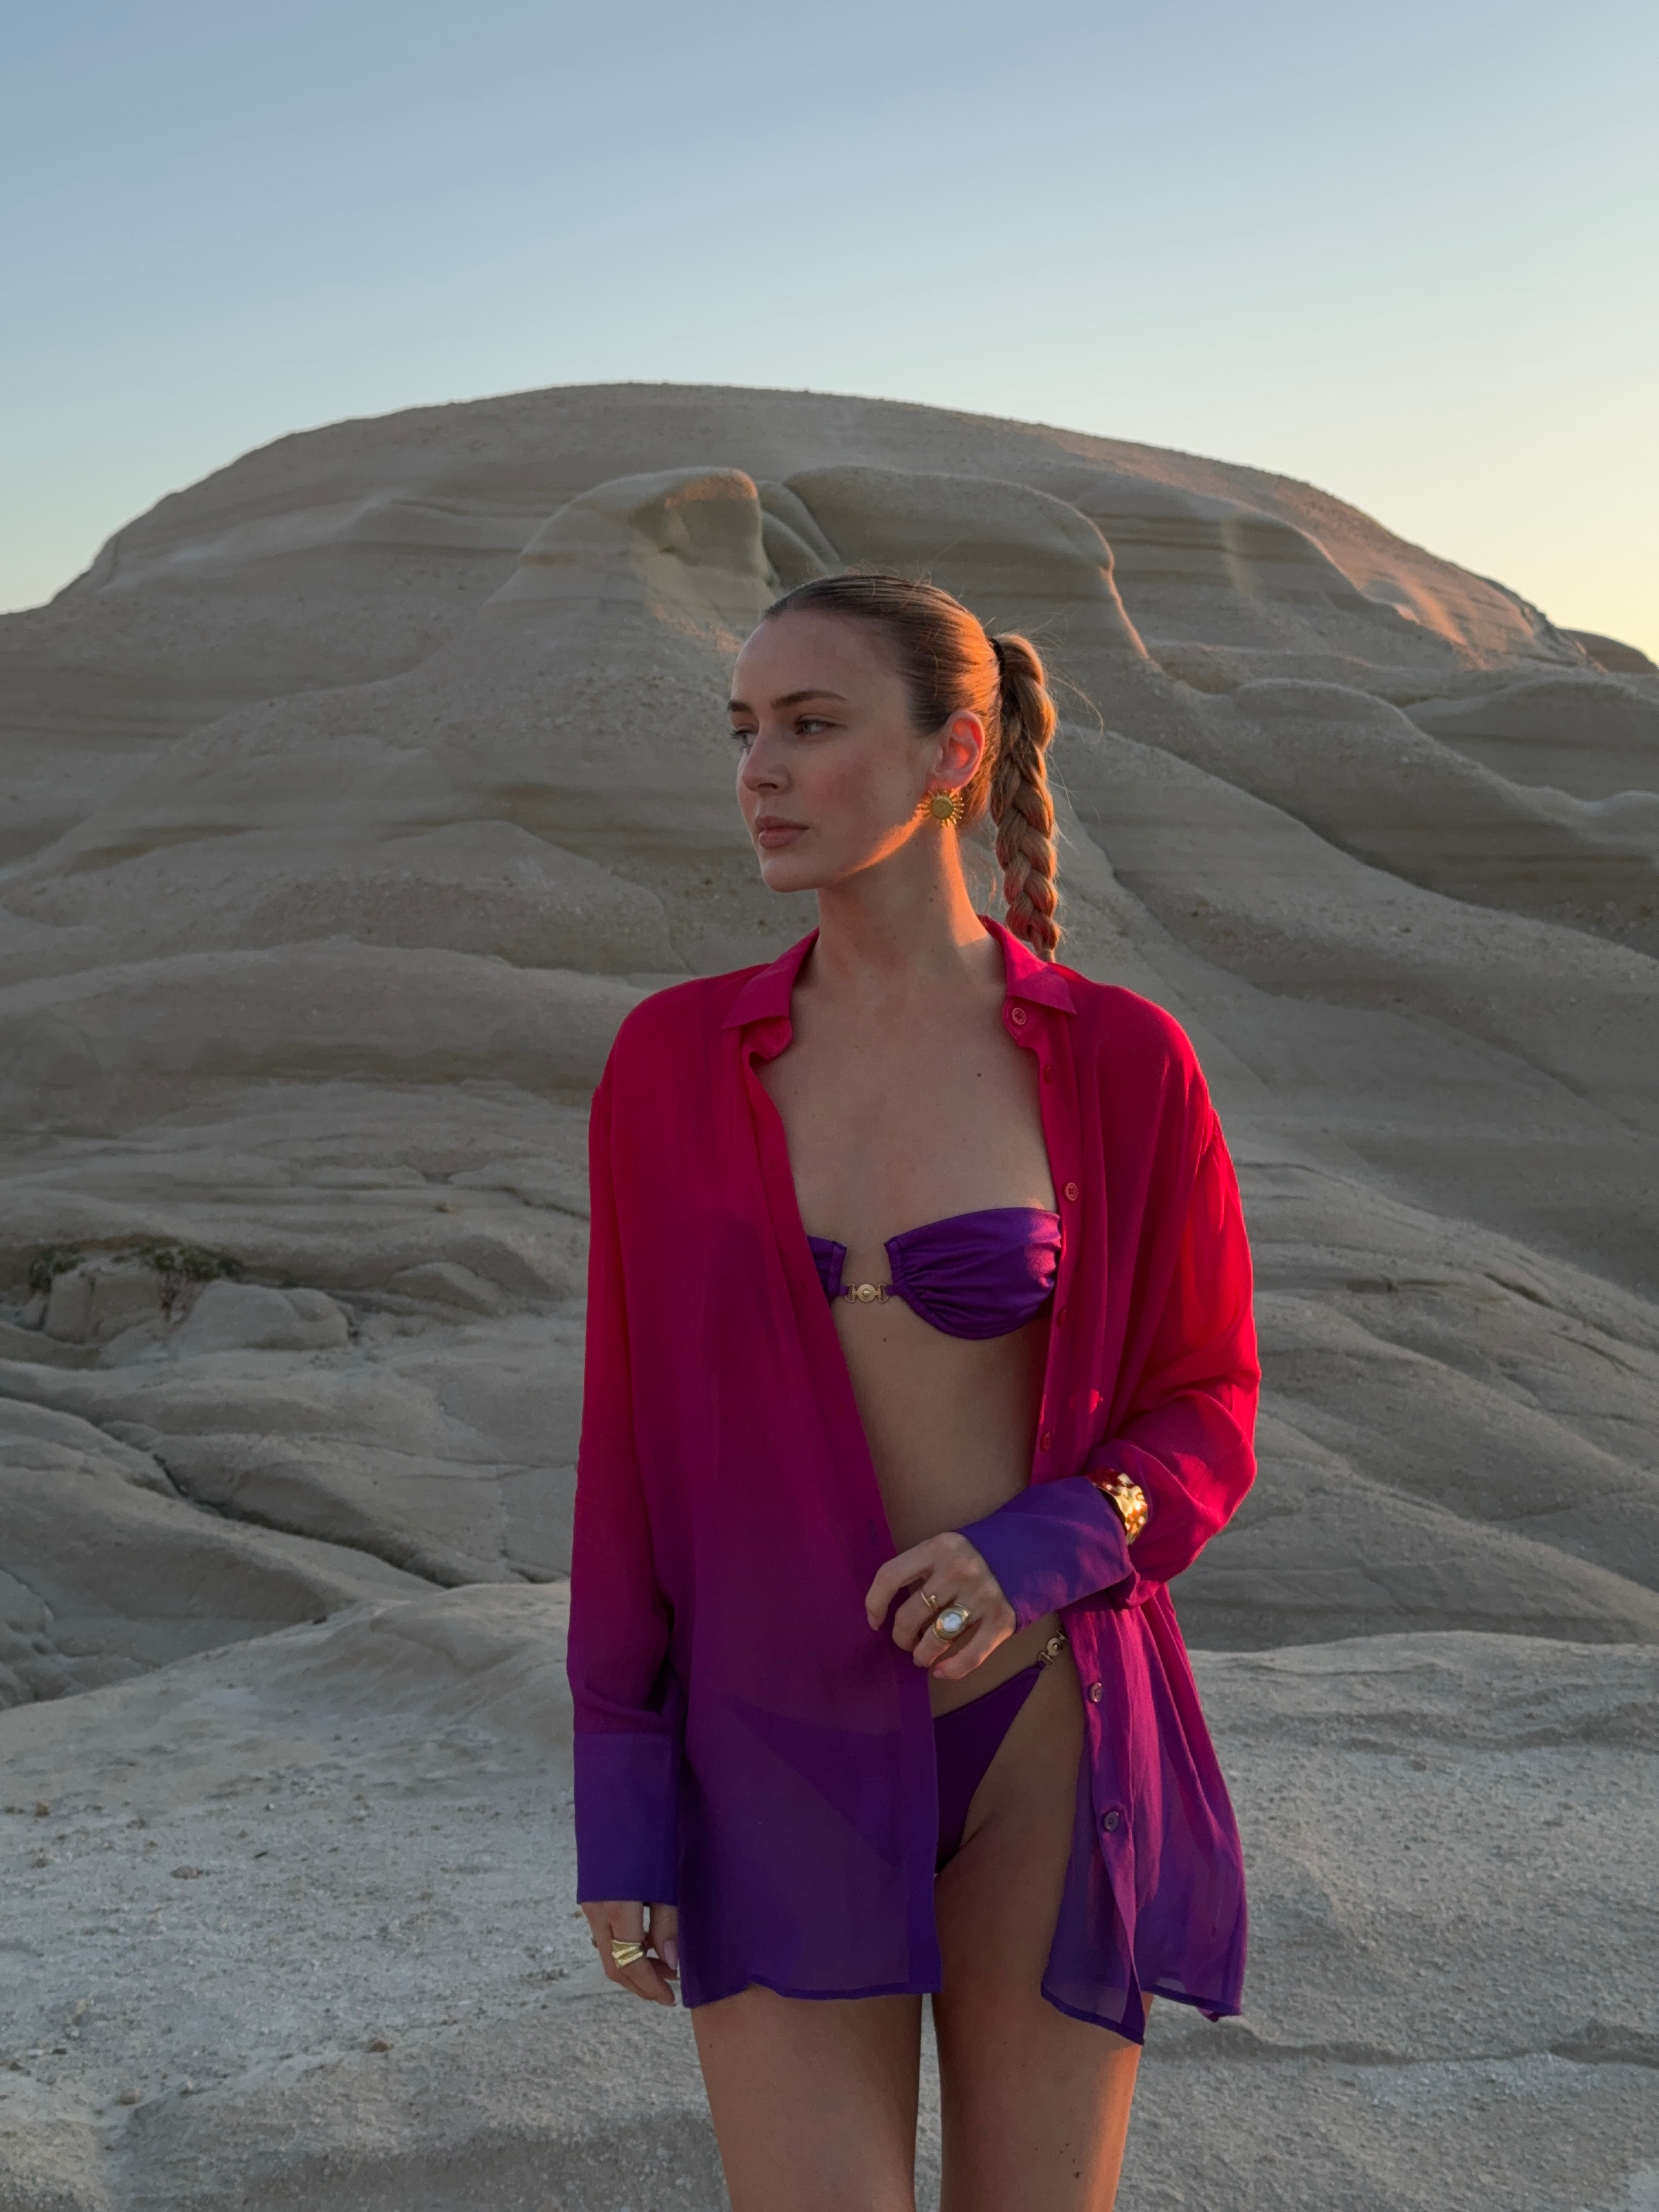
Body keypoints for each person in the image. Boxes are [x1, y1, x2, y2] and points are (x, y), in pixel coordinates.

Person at [568, 572, 1260, 2211]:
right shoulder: (671, 1062)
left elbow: (1204, 1405)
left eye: (812, 727)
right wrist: (621, 1795)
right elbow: (627, 1455)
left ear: (956, 753)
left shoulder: (1118, 1058)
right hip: (767, 1743)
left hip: (1047, 1733)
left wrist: (1044, 1547)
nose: (762, 771)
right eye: (746, 732)